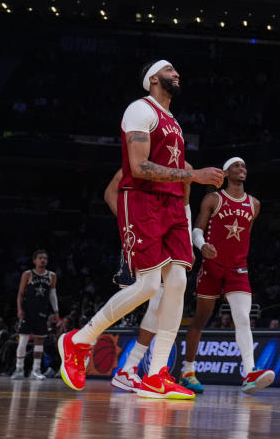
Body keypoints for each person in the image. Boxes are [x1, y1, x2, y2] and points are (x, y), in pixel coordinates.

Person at [57, 59, 224, 399]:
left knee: (177, 282)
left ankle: (156, 373)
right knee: (149, 287)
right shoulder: (139, 109)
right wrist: (194, 175)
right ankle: (78, 341)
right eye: (170, 70)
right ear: (152, 79)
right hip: (144, 201)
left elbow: (176, 174)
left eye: (178, 70)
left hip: (173, 205)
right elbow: (139, 167)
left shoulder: (174, 123)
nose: (177, 73)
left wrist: (188, 200)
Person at [180, 157, 275, 394]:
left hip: (237, 269)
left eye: (244, 166)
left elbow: (245, 237)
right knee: (201, 318)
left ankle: (250, 373)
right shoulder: (214, 198)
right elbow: (197, 230)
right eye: (236, 166)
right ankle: (187, 371)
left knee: (243, 317)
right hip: (212, 266)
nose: (242, 169)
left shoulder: (254, 204)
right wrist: (202, 246)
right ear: (225, 172)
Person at [102, 168, 179, 393]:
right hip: (142, 238)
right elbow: (109, 193)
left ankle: (129, 368)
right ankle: (84, 339)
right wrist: (129, 226)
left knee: (161, 300)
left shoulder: (178, 165)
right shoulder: (137, 164)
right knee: (147, 295)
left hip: (166, 240)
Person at [14, 250, 57, 380]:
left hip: (42, 312)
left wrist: (56, 311)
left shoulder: (51, 276)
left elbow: (52, 295)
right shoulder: (28, 274)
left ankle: (36, 370)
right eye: (40, 258)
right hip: (27, 311)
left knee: (39, 341)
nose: (43, 260)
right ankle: (19, 369)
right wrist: (19, 309)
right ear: (35, 261)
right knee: (23, 341)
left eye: (45, 258)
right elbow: (20, 294)